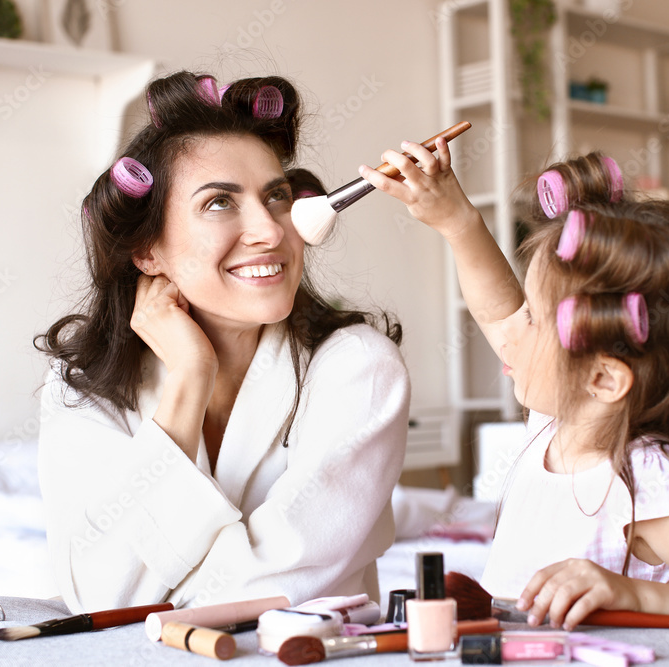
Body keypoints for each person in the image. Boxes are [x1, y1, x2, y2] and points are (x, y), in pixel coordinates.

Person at [359, 145, 669, 636]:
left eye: (531, 319)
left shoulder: (647, 478)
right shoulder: (557, 420)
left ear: (604, 380)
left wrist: (632, 592)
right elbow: (494, 307)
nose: (510, 332)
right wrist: (457, 222)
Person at [35, 71, 410, 613]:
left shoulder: (358, 369)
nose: (271, 230)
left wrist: (157, 593)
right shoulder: (81, 388)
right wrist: (190, 378)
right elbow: (98, 596)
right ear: (147, 252)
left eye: (276, 196)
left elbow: (276, 582)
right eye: (219, 203)